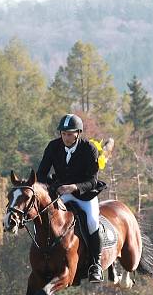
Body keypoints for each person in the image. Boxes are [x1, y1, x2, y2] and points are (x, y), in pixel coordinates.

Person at [36, 113, 107, 283]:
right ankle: (49, 256)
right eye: (64, 134)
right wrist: (49, 188)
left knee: (92, 222)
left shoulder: (89, 149)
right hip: (62, 193)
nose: (66, 137)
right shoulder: (53, 147)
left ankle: (95, 265)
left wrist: (74, 187)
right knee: (50, 217)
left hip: (85, 194)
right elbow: (41, 174)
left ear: (78, 133)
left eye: (70, 134)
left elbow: (92, 180)